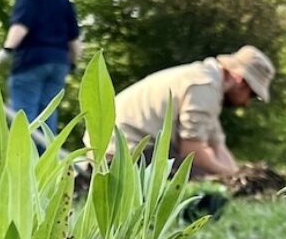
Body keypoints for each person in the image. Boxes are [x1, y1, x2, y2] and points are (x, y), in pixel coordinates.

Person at [98, 45, 275, 177]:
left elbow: (217, 146)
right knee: (198, 181)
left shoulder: (210, 82)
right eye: (251, 94)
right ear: (240, 79)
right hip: (123, 152)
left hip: (131, 147)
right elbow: (193, 153)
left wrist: (236, 173)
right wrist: (231, 178)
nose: (246, 103)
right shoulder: (204, 86)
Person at [0, 0, 82, 133]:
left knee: (24, 118)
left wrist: (6, 50)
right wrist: (73, 63)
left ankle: (24, 159)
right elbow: (74, 40)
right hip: (59, 63)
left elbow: (21, 25)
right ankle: (47, 159)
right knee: (48, 116)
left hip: (31, 62)